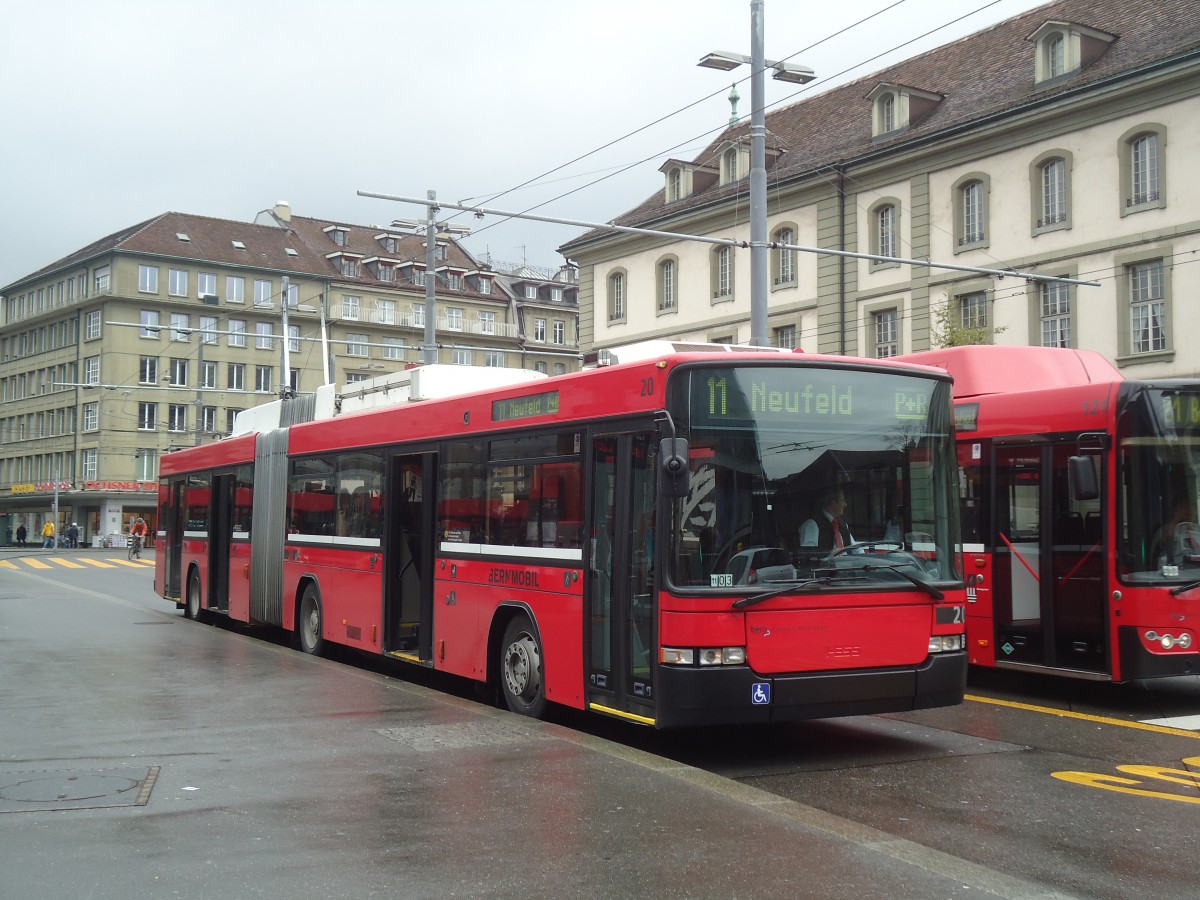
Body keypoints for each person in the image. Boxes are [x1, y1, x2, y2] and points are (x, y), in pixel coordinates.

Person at [800, 484, 854, 554]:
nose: (845, 504)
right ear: (833, 502)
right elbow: (807, 553)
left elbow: (856, 549)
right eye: (843, 500)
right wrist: (829, 553)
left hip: (847, 564)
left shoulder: (842, 525)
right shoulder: (812, 524)